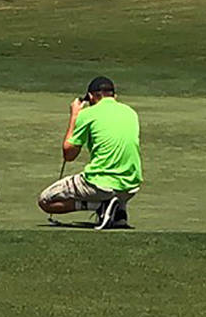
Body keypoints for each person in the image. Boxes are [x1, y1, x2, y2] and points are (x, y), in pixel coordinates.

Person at [38, 76, 143, 230]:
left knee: (45, 201)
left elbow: (69, 154)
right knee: (115, 186)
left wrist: (74, 116)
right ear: (114, 96)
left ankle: (100, 206)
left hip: (99, 184)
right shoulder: (131, 113)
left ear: (91, 97)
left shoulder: (87, 114)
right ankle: (119, 210)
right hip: (131, 186)